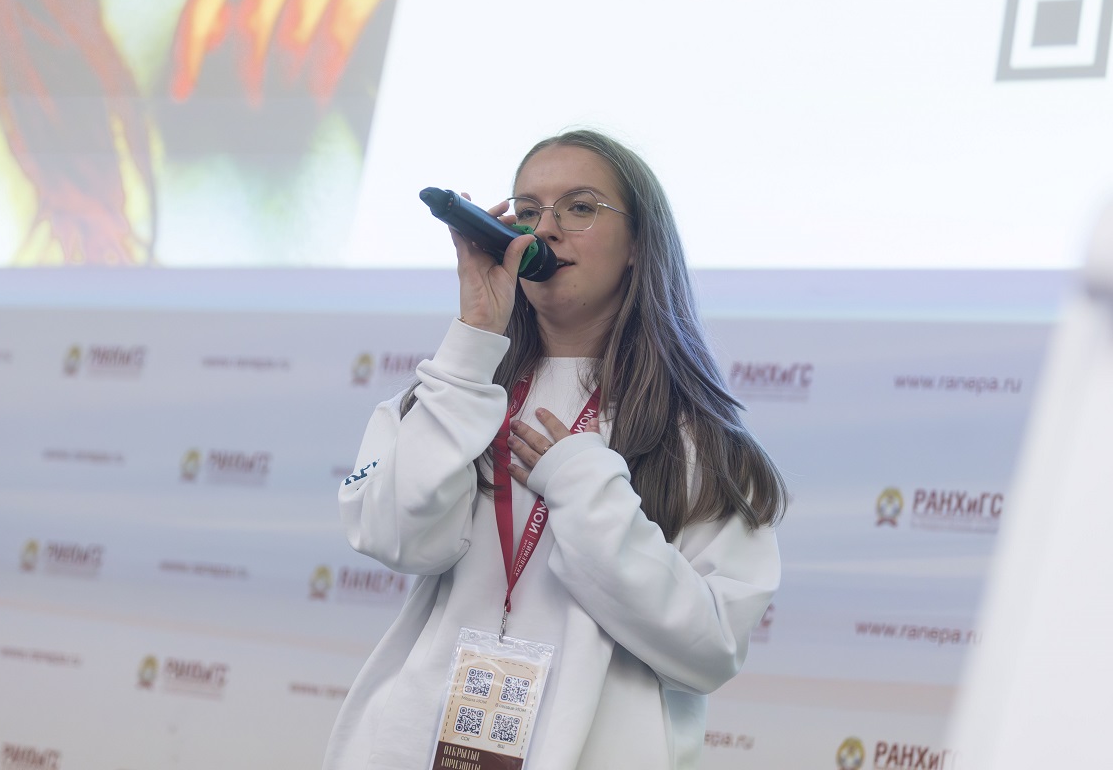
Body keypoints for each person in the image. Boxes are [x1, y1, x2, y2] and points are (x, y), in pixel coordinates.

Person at [327, 129, 786, 770]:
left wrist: (581, 484)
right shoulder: (449, 391)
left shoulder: (702, 443)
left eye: (580, 207)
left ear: (638, 244)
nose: (545, 229)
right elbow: (396, 537)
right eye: (526, 212)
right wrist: (472, 340)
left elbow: (709, 649)